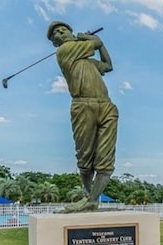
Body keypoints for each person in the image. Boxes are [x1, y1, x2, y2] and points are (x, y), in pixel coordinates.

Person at [47, 21, 118, 213]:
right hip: (83, 105)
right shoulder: (64, 51)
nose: (61, 32)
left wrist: (100, 43)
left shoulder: (87, 61)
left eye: (64, 29)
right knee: (85, 158)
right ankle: (89, 196)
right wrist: (91, 39)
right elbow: (94, 44)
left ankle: (92, 200)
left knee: (105, 158)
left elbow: (108, 65)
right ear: (55, 42)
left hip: (106, 105)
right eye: (57, 33)